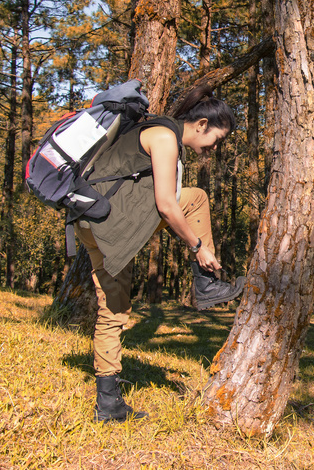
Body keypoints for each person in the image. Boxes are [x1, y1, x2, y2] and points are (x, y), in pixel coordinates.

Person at [74, 85, 245, 423]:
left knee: (114, 308)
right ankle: (206, 284)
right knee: (194, 198)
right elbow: (167, 205)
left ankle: (108, 405)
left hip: (88, 222)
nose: (214, 148)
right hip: (111, 222)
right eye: (217, 139)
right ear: (200, 125)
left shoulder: (150, 126)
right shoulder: (164, 138)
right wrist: (197, 248)